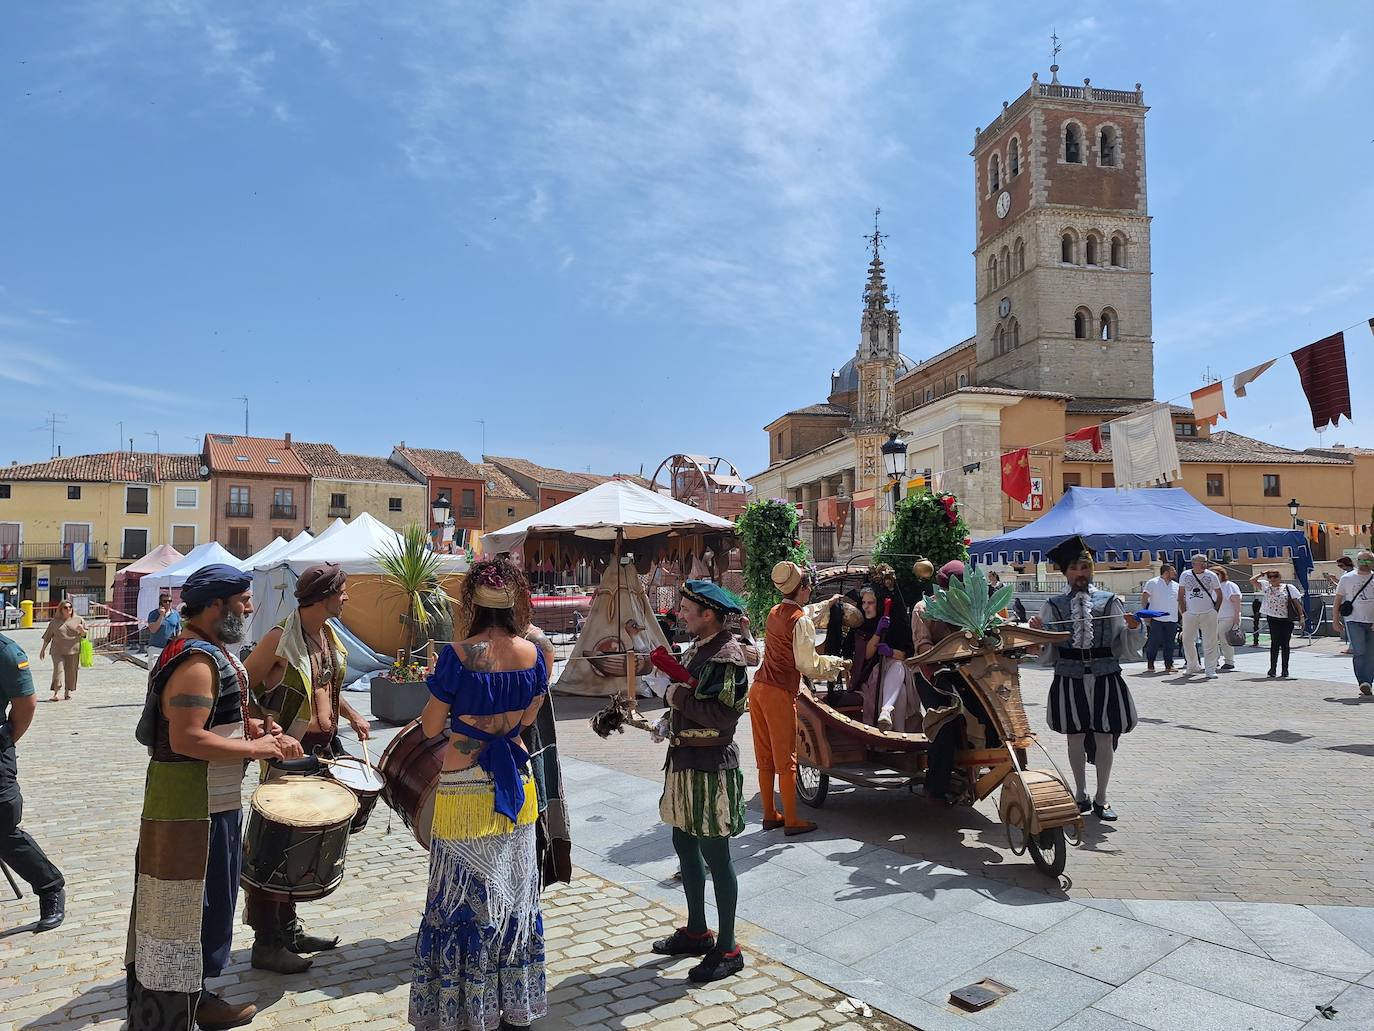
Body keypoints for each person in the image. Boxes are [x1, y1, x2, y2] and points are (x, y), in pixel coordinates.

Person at [125, 564, 302, 1031]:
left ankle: (193, 996)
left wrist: (255, 727)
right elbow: (185, 738)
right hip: (190, 804)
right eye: (242, 600)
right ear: (215, 605)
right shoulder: (196, 661)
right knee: (190, 906)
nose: (249, 607)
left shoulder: (209, 652)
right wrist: (256, 747)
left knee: (205, 901)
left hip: (208, 799)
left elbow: (216, 719)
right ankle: (191, 1002)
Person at [410, 557, 548, 1031]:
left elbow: (430, 726)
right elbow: (528, 718)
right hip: (516, 779)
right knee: (512, 889)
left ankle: (465, 1008)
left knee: (459, 898)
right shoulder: (533, 655)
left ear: (472, 601)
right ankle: (513, 1004)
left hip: (464, 785)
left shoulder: (458, 655)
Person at [241, 562, 369, 973]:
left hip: (322, 749)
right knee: (275, 847)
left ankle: (289, 930)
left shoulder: (326, 633)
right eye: (343, 591)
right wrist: (265, 731)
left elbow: (324, 684)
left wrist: (348, 713)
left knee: (301, 846)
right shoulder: (280, 637)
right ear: (326, 596)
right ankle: (266, 943)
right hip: (288, 755)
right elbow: (242, 688)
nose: (347, 598)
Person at [651, 579, 753, 983]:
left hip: (712, 766)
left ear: (707, 614)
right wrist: (667, 719)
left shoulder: (727, 656)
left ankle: (728, 948)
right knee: (683, 842)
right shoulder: (700, 647)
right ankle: (697, 932)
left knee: (716, 853)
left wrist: (672, 695)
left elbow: (721, 717)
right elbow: (692, 703)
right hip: (685, 759)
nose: (680, 614)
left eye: (686, 609)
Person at [1029, 536, 1139, 821]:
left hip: (1106, 675)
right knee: (1074, 737)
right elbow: (1044, 649)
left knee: (1105, 736)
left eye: (1085, 567)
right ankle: (1080, 794)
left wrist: (1134, 628)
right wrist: (1038, 632)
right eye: (1075, 568)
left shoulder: (1110, 601)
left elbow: (1124, 643)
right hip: (1069, 677)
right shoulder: (1053, 605)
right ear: (1065, 572)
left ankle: (1102, 798)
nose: (1081, 574)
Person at [749, 561, 850, 837]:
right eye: (809, 587)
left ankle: (771, 814)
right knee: (787, 759)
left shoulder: (775, 612)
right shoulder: (800, 620)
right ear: (803, 589)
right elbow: (808, 664)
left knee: (765, 756)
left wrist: (828, 604)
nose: (810, 593)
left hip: (757, 688)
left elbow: (803, 614)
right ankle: (792, 819)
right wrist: (838, 663)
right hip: (778, 692)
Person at [912, 560, 999, 805]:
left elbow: (990, 633)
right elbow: (923, 647)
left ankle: (990, 762)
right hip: (932, 676)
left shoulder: (974, 609)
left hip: (967, 673)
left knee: (994, 713)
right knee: (945, 725)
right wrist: (951, 651)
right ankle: (935, 788)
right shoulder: (923, 609)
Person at [0, 631, 65, 932]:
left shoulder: (6, 653)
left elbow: (25, 706)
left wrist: (6, 742)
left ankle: (49, 886)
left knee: (2, 823)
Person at [851, 574, 918, 731]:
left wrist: (889, 652)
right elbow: (866, 655)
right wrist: (877, 633)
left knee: (899, 670)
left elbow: (905, 654)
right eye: (864, 603)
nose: (866, 607)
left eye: (871, 603)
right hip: (870, 679)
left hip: (893, 673)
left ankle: (887, 712)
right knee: (900, 692)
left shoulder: (894, 624)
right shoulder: (860, 625)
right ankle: (895, 732)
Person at [1333, 550, 1374, 695]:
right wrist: (1335, 620)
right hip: (1353, 620)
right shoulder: (1347, 578)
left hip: (1372, 621)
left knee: (1371, 653)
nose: (1365, 564)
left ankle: (1368, 682)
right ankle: (1363, 681)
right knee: (1360, 651)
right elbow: (1338, 599)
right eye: (1362, 561)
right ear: (1357, 561)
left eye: (1368, 561)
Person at [1250, 569, 1301, 680]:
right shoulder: (1266, 586)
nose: (1273, 579)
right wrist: (1262, 574)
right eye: (1270, 577)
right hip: (1273, 618)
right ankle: (1272, 668)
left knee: (1285, 644)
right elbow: (1252, 580)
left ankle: (1285, 669)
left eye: (1275, 576)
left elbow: (1297, 602)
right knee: (1275, 643)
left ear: (1280, 577)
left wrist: (1301, 617)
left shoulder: (1288, 587)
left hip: (1287, 618)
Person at [1177, 554, 1221, 679]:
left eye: (1205, 562)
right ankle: (1192, 665)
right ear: (1193, 563)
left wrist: (1215, 610)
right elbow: (1180, 594)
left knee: (1210, 641)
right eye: (1201, 562)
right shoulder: (1185, 575)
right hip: (1190, 613)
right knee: (1187, 639)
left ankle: (1210, 669)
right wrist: (1184, 611)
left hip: (1208, 612)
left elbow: (1219, 594)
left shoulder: (1211, 575)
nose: (1204, 564)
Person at [39, 599, 87, 701]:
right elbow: (47, 637)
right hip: (57, 651)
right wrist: (43, 650)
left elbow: (84, 635)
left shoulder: (79, 620)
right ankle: (56, 693)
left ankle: (67, 692)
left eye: (70, 607)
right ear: (60, 609)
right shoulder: (54, 622)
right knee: (58, 670)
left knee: (71, 672)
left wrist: (82, 630)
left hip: (73, 650)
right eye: (65, 607)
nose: (68, 609)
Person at [1139, 562, 1178, 673]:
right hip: (1156, 619)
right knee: (1154, 642)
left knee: (1170, 643)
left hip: (1172, 619)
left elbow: (1179, 601)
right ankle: (1150, 664)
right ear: (1166, 572)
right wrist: (1146, 613)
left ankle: (1169, 665)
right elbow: (1145, 598)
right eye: (1173, 570)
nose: (1175, 573)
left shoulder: (1176, 585)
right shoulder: (1152, 582)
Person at [1213, 568, 1243, 672]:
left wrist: (1236, 616)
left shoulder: (1229, 585)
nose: (1215, 576)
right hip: (1214, 617)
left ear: (1222, 574)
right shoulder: (1212, 587)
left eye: (1217, 574)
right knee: (1211, 639)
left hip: (1228, 616)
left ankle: (1229, 661)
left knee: (1224, 639)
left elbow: (1236, 601)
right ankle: (1214, 660)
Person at [1328, 556, 1355, 654]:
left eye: (1341, 565)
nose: (1340, 567)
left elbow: (1347, 587)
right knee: (1349, 626)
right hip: (1347, 603)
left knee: (1350, 626)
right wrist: (1334, 582)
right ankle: (1352, 646)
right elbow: (1342, 588)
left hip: (1350, 604)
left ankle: (1352, 647)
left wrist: (1335, 579)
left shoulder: (1351, 574)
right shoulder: (1346, 573)